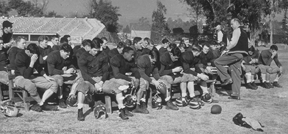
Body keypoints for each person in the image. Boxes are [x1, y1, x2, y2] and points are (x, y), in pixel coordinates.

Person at [71, 40, 111, 121]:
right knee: (81, 87)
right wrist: (95, 83)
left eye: (97, 50)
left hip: (100, 79)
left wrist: (101, 81)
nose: (96, 52)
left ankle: (122, 108)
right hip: (89, 79)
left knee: (116, 86)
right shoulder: (83, 57)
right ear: (90, 48)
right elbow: (85, 75)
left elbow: (106, 71)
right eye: (94, 50)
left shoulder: (103, 55)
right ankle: (80, 110)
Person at [14, 43, 58, 112]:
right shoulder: (20, 56)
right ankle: (41, 104)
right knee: (30, 85)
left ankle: (41, 103)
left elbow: (38, 67)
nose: (35, 56)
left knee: (53, 83)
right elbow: (25, 75)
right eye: (33, 54)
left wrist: (46, 76)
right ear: (28, 51)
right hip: (20, 77)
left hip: (31, 77)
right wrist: (32, 62)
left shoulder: (35, 54)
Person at [214, 18, 249, 100]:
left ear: (237, 23)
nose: (231, 26)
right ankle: (235, 94)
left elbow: (233, 42)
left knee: (217, 62)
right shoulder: (244, 32)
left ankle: (226, 78)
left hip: (235, 53)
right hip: (241, 55)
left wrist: (226, 49)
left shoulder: (237, 30)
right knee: (235, 73)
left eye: (232, 24)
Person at [109, 47, 140, 119]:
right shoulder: (115, 59)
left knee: (137, 81)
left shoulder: (129, 60)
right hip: (112, 78)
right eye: (131, 55)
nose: (132, 57)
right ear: (125, 54)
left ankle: (130, 104)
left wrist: (137, 78)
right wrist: (129, 79)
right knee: (125, 83)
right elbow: (116, 74)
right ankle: (123, 108)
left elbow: (135, 69)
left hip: (122, 77)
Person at [46, 43, 78, 108]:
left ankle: (71, 96)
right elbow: (51, 71)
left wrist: (73, 69)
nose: (68, 56)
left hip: (63, 74)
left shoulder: (68, 55)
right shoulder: (53, 56)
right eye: (67, 54)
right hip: (50, 76)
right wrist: (64, 71)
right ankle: (60, 99)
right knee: (59, 78)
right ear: (61, 51)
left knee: (79, 75)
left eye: (69, 54)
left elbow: (70, 63)